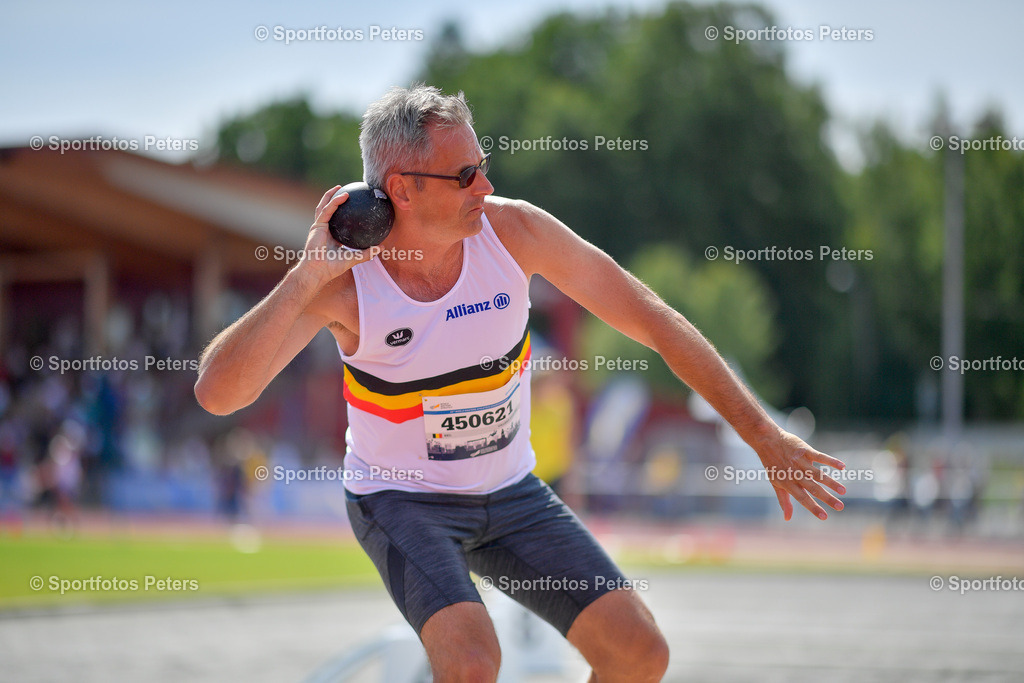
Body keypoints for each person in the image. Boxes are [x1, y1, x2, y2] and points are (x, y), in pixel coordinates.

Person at [195, 85, 847, 682]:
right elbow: (219, 394)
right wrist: (304, 278)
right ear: (402, 189)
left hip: (510, 492)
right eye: (464, 175)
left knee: (639, 652)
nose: (485, 186)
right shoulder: (344, 283)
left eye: (483, 166)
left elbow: (653, 319)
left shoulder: (514, 233)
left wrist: (763, 435)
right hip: (401, 500)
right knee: (473, 662)